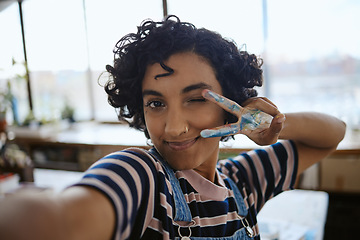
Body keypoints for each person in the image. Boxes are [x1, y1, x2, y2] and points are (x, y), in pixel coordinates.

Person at [0, 15, 346, 240]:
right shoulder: (143, 176)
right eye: (156, 103)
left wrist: (269, 125)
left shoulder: (244, 181)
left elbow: (333, 133)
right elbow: (61, 221)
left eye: (196, 99)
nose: (175, 127)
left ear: (231, 106)